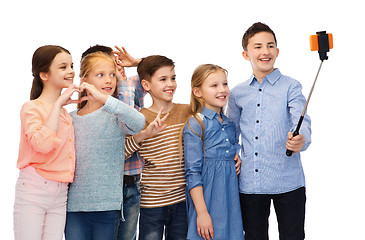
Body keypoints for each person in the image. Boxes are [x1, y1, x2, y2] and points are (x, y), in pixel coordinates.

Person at [227, 22, 311, 240]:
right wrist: (232, 154)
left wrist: (301, 139)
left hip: (288, 181)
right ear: (246, 54)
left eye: (270, 45)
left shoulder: (291, 86)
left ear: (277, 51)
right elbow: (230, 132)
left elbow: (302, 121)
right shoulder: (237, 93)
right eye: (258, 46)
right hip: (251, 184)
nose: (265, 51)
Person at [64, 52, 145, 239]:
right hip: (75, 208)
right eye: (101, 75)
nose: (109, 80)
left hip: (108, 207)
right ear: (84, 79)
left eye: (112, 75)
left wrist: (106, 100)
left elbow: (138, 123)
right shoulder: (71, 119)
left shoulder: (116, 115)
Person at [13, 45, 80, 240]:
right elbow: (42, 145)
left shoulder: (65, 113)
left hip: (60, 192)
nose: (71, 71)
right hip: (34, 189)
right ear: (44, 75)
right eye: (63, 67)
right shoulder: (31, 108)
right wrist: (58, 103)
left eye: (71, 65)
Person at [124, 55, 190, 240]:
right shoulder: (139, 118)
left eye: (173, 78)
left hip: (182, 201)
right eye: (163, 79)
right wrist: (144, 134)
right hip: (152, 204)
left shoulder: (187, 111)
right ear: (146, 85)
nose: (171, 84)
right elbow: (122, 152)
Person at [183, 64, 244, 240]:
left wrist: (236, 156)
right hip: (208, 199)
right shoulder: (196, 123)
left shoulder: (229, 123)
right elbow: (192, 172)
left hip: (230, 197)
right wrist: (202, 213)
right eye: (214, 85)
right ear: (197, 92)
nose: (222, 90)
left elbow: (231, 149)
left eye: (224, 84)